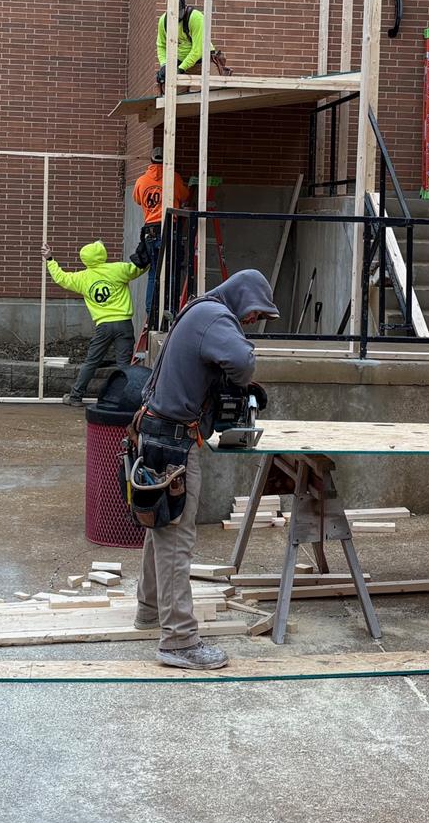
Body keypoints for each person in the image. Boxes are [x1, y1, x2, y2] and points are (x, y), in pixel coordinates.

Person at [131, 268, 278, 670]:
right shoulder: (216, 317)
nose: (254, 322)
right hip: (173, 443)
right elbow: (243, 362)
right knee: (177, 539)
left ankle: (148, 608)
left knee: (162, 525)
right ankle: (178, 640)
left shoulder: (201, 311)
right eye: (256, 314)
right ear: (243, 298)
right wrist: (238, 380)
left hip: (160, 434)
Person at [43, 240, 142, 406]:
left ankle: (75, 396)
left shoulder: (82, 278)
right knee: (124, 364)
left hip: (103, 326)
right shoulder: (118, 269)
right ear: (103, 255)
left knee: (92, 361)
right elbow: (139, 268)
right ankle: (126, 401)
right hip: (124, 324)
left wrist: (50, 259)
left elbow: (61, 278)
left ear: (85, 259)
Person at [131, 147, 190, 328]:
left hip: (150, 230)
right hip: (169, 227)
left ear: (151, 161)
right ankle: (170, 309)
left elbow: (137, 199)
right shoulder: (174, 177)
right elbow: (185, 195)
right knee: (171, 271)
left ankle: (151, 310)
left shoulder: (141, 180)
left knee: (154, 272)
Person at [155, 0, 206, 92]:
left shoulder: (195, 18)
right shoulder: (163, 21)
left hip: (201, 63)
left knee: (202, 92)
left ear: (184, 7)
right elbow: (161, 45)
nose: (177, 17)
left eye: (179, 13)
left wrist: (180, 69)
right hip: (180, 64)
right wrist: (164, 64)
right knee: (168, 92)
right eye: (173, 14)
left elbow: (198, 50)